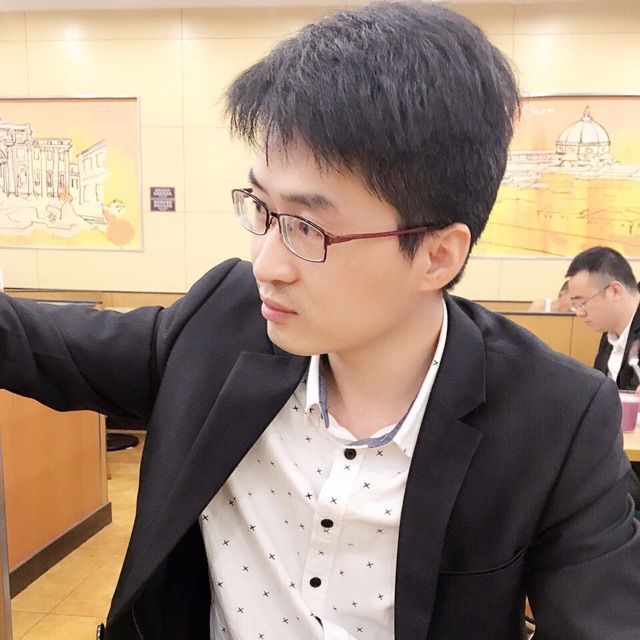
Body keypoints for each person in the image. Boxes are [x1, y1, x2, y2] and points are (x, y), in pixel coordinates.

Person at [1, 4, 639, 639]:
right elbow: (37, 345)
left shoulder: (553, 416)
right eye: (261, 208)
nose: (265, 264)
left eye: (309, 227)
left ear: (437, 255)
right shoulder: (223, 320)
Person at [565, 246, 640, 393]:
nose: (580, 313)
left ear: (614, 291)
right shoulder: (610, 332)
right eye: (575, 305)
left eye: (582, 303)